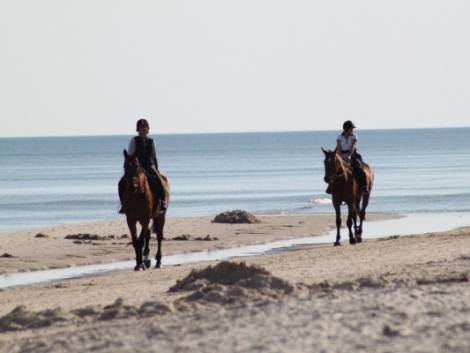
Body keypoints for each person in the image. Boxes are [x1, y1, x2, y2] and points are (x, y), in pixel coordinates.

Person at [118, 119, 166, 213]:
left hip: (149, 166)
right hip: (137, 168)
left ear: (148, 129)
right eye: (141, 127)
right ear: (138, 129)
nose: (143, 129)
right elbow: (130, 155)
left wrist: (156, 169)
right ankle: (123, 204)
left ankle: (162, 201)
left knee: (159, 182)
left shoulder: (152, 141)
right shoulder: (134, 140)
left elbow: (154, 157)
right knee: (121, 183)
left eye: (145, 127)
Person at [325, 120, 368, 194]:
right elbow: (338, 147)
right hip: (341, 154)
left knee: (360, 169)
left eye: (352, 129)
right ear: (346, 129)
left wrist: (349, 156)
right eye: (351, 128)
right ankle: (330, 186)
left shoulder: (354, 136)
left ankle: (364, 187)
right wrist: (340, 156)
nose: (352, 130)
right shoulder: (339, 137)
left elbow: (352, 147)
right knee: (333, 169)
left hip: (352, 154)